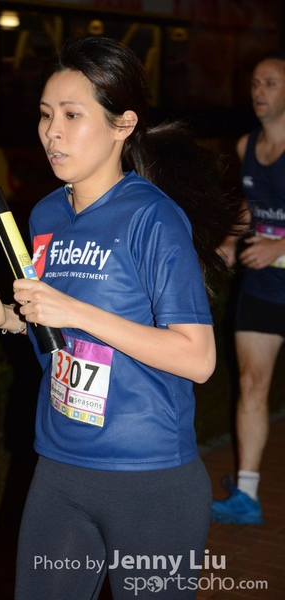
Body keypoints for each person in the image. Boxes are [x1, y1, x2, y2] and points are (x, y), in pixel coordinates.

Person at [0, 37, 241, 599]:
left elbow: (198, 358)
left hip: (149, 479)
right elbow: (57, 333)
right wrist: (10, 319)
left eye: (72, 115)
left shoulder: (153, 218)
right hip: (59, 469)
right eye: (46, 115)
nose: (52, 132)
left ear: (123, 124)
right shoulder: (44, 215)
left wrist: (75, 310)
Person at [211, 51, 285, 525]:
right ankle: (247, 495)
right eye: (256, 83)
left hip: (274, 262)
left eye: (271, 83)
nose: (259, 91)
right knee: (251, 383)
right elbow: (251, 205)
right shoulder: (247, 145)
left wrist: (279, 246)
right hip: (263, 286)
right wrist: (228, 241)